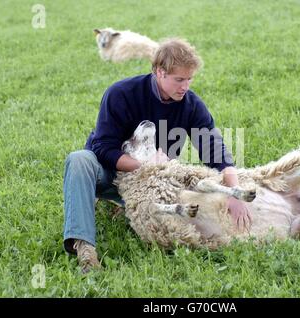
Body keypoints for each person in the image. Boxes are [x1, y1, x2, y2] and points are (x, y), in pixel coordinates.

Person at [63, 38, 251, 273]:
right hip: (111, 173)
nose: (185, 86)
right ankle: (85, 249)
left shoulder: (191, 105)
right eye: (179, 79)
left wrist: (235, 194)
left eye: (189, 79)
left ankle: (127, 207)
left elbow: (216, 152)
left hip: (153, 184)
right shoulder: (121, 93)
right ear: (159, 72)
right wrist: (143, 165)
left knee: (177, 211)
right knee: (79, 159)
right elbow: (103, 147)